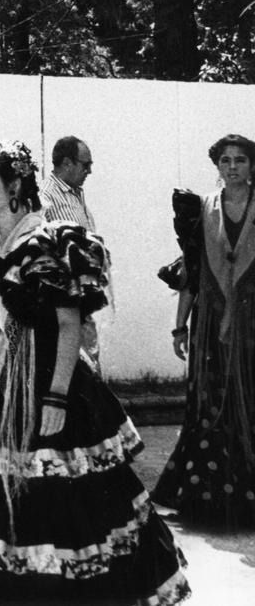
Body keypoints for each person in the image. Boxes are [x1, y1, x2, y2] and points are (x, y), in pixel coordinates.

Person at [0, 140, 189, 605]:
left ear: (14, 184)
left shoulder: (52, 242)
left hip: (50, 386)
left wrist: (57, 397)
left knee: (61, 502)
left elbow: (68, 324)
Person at [153, 133, 255, 527]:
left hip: (251, 323)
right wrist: (179, 328)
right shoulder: (200, 211)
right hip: (210, 324)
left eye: (241, 160)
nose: (232, 167)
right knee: (211, 405)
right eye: (226, 160)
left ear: (251, 166)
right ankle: (207, 497)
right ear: (217, 167)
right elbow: (191, 277)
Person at [39, 135, 105, 371]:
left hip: (84, 297)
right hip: (64, 301)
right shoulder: (45, 197)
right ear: (67, 163)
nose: (89, 171)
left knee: (88, 366)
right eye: (85, 165)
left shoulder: (75, 193)